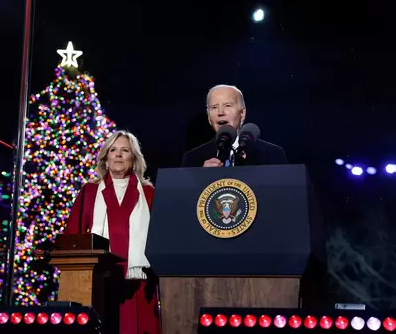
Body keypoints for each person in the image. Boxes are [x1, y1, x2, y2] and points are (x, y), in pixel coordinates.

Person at [65, 130, 160, 334]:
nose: (118, 154)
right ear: (106, 158)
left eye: (125, 150)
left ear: (133, 158)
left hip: (139, 280)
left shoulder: (150, 193)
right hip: (99, 279)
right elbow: (73, 236)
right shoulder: (89, 191)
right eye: (113, 150)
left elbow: (160, 238)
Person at [181, 84, 288, 167]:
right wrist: (202, 178)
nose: (220, 112)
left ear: (242, 113)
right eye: (214, 107)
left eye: (227, 105)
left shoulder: (272, 155)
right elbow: (185, 194)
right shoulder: (192, 159)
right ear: (209, 117)